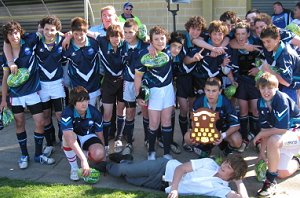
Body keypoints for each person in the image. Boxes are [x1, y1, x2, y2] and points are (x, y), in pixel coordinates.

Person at [1, 21, 55, 169]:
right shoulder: (5, 54)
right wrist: (3, 100)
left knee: (40, 122)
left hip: (32, 92)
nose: (14, 36)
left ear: (20, 32)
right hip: (16, 94)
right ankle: (24, 155)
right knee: (19, 123)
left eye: (16, 32)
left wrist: (68, 35)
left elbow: (47, 31)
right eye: (10, 34)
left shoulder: (30, 40)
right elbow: (5, 78)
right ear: (6, 36)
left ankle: (38, 155)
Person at [99, 154, 248, 198]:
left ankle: (126, 160)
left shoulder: (222, 189)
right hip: (164, 167)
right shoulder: (209, 163)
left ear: (233, 175)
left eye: (228, 167)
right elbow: (181, 168)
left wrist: (239, 183)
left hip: (162, 185)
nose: (223, 166)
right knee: (120, 171)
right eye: (225, 163)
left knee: (129, 179)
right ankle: (103, 165)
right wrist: (175, 189)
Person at [254, 72, 300, 197]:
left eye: (270, 87)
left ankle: (269, 183)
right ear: (259, 88)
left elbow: (282, 129)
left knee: (273, 140)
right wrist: (262, 154)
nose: (266, 91)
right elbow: (265, 130)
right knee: (281, 172)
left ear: (277, 87)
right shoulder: (260, 102)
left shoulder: (281, 98)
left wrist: (259, 134)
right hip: (285, 138)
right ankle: (298, 160)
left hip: (295, 132)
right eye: (263, 87)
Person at [134, 26, 174, 160]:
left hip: (168, 90)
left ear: (166, 39)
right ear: (151, 41)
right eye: (156, 39)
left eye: (162, 38)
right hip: (154, 92)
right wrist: (139, 96)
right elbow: (138, 77)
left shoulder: (170, 50)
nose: (160, 41)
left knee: (167, 121)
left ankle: (167, 153)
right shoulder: (144, 54)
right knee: (154, 123)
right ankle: (151, 151)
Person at [185, 77, 242, 157]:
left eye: (214, 91)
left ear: (220, 91)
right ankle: (204, 150)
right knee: (188, 137)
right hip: (205, 131)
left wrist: (222, 136)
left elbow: (236, 125)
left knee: (237, 140)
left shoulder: (226, 103)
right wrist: (198, 133)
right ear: (204, 90)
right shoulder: (199, 102)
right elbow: (193, 121)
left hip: (222, 131)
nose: (210, 94)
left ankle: (226, 151)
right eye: (208, 90)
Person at [61, 86, 105, 181]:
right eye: (80, 101)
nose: (84, 103)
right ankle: (74, 168)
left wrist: (103, 155)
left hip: (89, 136)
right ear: (73, 102)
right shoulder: (67, 113)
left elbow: (99, 134)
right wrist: (83, 160)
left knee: (99, 153)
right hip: (74, 137)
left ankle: (84, 153)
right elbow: (70, 139)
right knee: (66, 138)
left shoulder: (95, 112)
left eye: (86, 100)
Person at [120, 19, 149, 154]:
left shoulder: (145, 45)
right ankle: (129, 142)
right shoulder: (121, 46)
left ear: (136, 32)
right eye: (125, 32)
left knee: (145, 111)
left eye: (130, 32)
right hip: (128, 83)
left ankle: (148, 139)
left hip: (143, 84)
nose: (128, 35)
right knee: (130, 112)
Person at [62, 17, 101, 106]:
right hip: (76, 88)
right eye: (75, 34)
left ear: (86, 32)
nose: (79, 37)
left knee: (92, 111)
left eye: (81, 34)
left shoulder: (94, 43)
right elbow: (64, 65)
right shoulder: (67, 45)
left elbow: (106, 37)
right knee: (79, 113)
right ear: (72, 32)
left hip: (93, 86)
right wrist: (68, 37)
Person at [260, 24, 300, 102]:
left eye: (268, 41)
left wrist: (269, 71)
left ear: (278, 38)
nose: (266, 45)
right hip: (289, 88)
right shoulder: (278, 49)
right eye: (264, 42)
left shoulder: (285, 55)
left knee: (290, 112)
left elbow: (287, 82)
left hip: (292, 90)